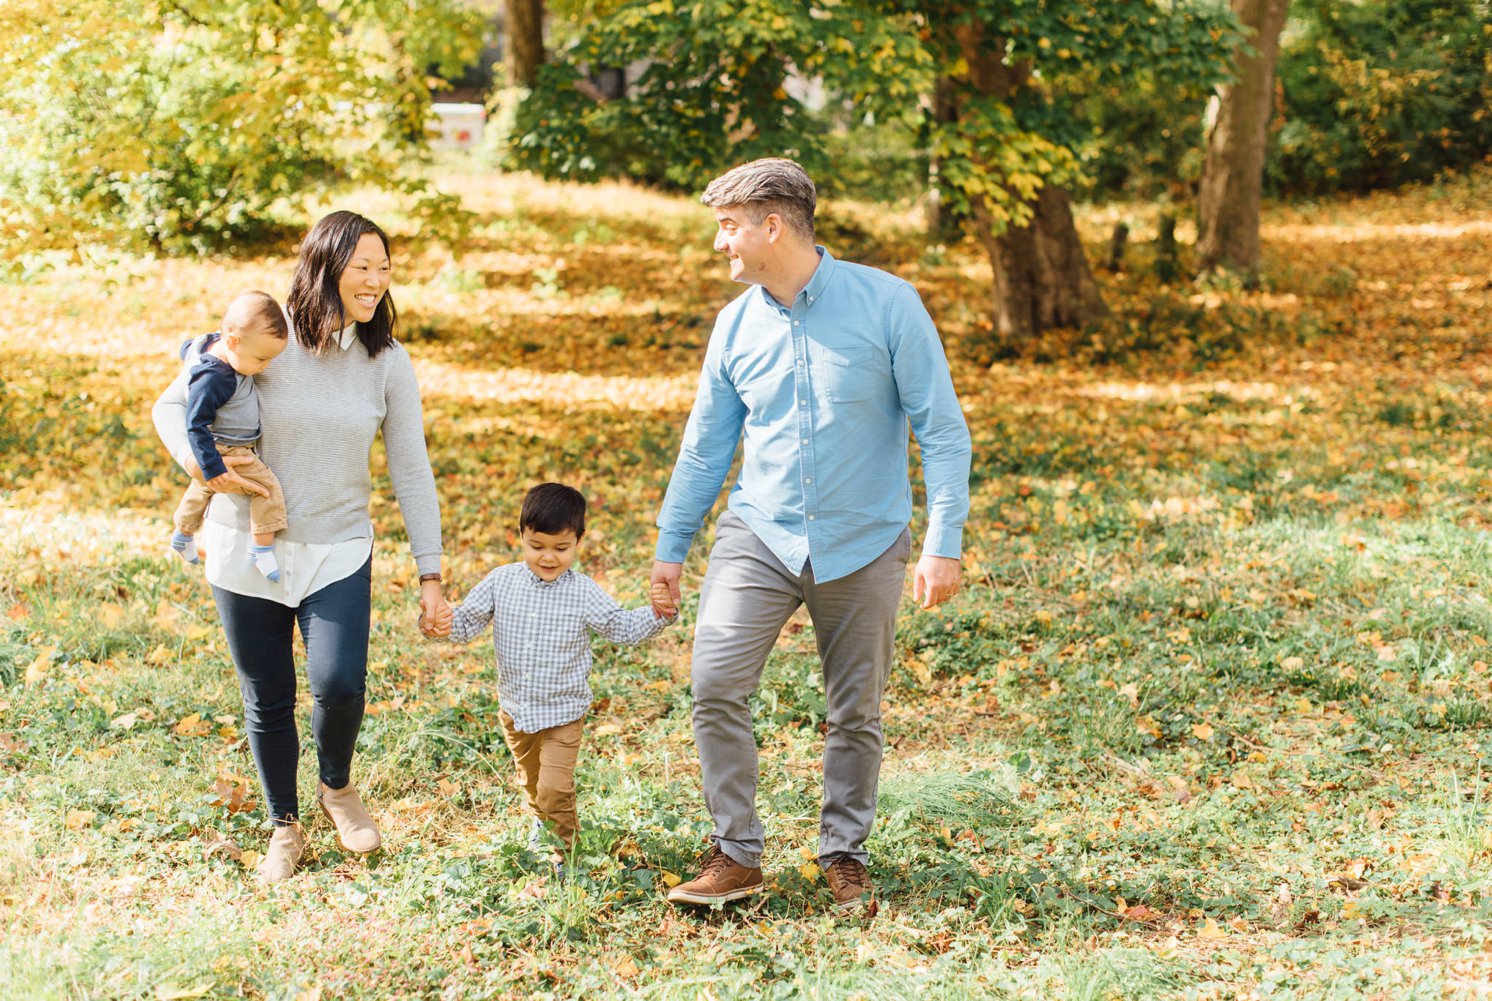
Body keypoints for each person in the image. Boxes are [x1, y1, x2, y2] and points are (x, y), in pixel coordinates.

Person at [650, 158, 972, 910]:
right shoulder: (735, 325)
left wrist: (943, 538)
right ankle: (736, 852)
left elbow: (943, 431)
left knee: (854, 708)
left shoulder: (889, 304)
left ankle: (843, 851)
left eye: (728, 228)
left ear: (772, 226)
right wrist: (672, 546)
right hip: (759, 533)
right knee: (715, 684)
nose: (720, 244)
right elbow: (705, 447)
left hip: (866, 540)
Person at [152, 210, 452, 886]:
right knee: (267, 696)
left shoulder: (386, 361)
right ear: (326, 265)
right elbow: (172, 407)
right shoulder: (267, 335)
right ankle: (283, 824)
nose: (376, 280)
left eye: (384, 267)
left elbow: (411, 467)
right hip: (245, 547)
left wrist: (430, 571)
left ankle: (337, 787)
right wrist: (206, 468)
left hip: (338, 545)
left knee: (340, 685)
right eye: (362, 266)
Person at [430, 483, 674, 870]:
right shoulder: (501, 581)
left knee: (554, 787)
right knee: (531, 783)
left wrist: (659, 613)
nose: (547, 557)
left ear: (578, 541)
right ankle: (540, 823)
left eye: (561, 548)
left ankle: (568, 852)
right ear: (521, 537)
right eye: (536, 545)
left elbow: (622, 628)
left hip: (563, 713)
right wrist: (441, 620)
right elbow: (465, 623)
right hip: (516, 711)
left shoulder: (582, 593)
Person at [170, 290, 290, 583]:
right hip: (231, 446)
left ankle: (182, 534)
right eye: (261, 359)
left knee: (201, 489)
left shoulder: (209, 344)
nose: (265, 367)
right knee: (266, 488)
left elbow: (188, 347)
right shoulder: (215, 378)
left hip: (220, 444)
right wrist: (212, 466)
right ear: (233, 342)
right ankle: (261, 548)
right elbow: (195, 423)